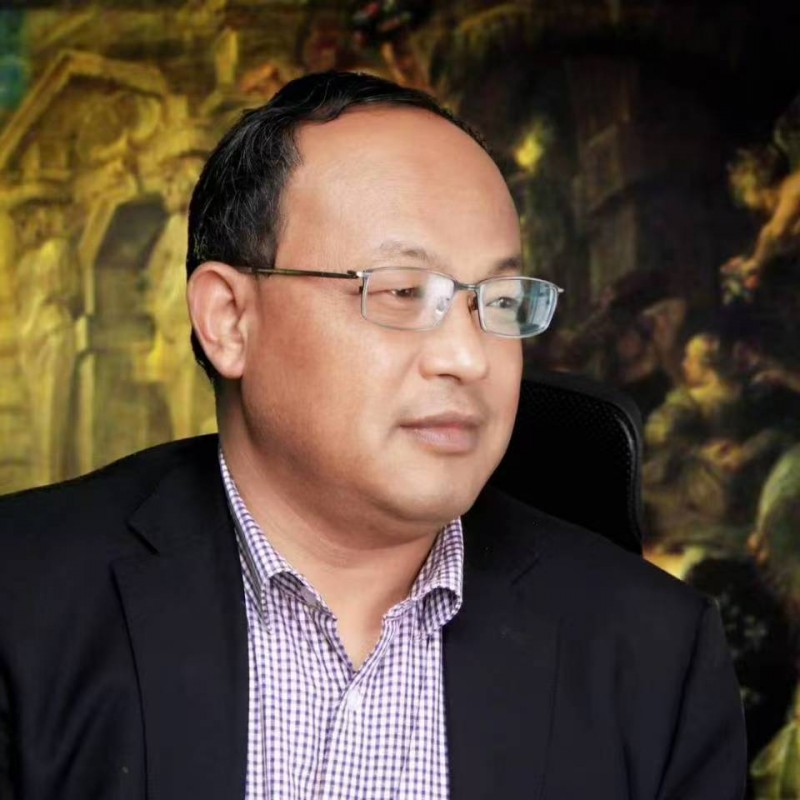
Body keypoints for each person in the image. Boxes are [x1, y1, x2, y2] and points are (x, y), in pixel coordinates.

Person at [0, 71, 745, 799]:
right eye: (402, 291)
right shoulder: (22, 599)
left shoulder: (657, 655)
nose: (468, 358)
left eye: (498, 301)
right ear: (230, 320)